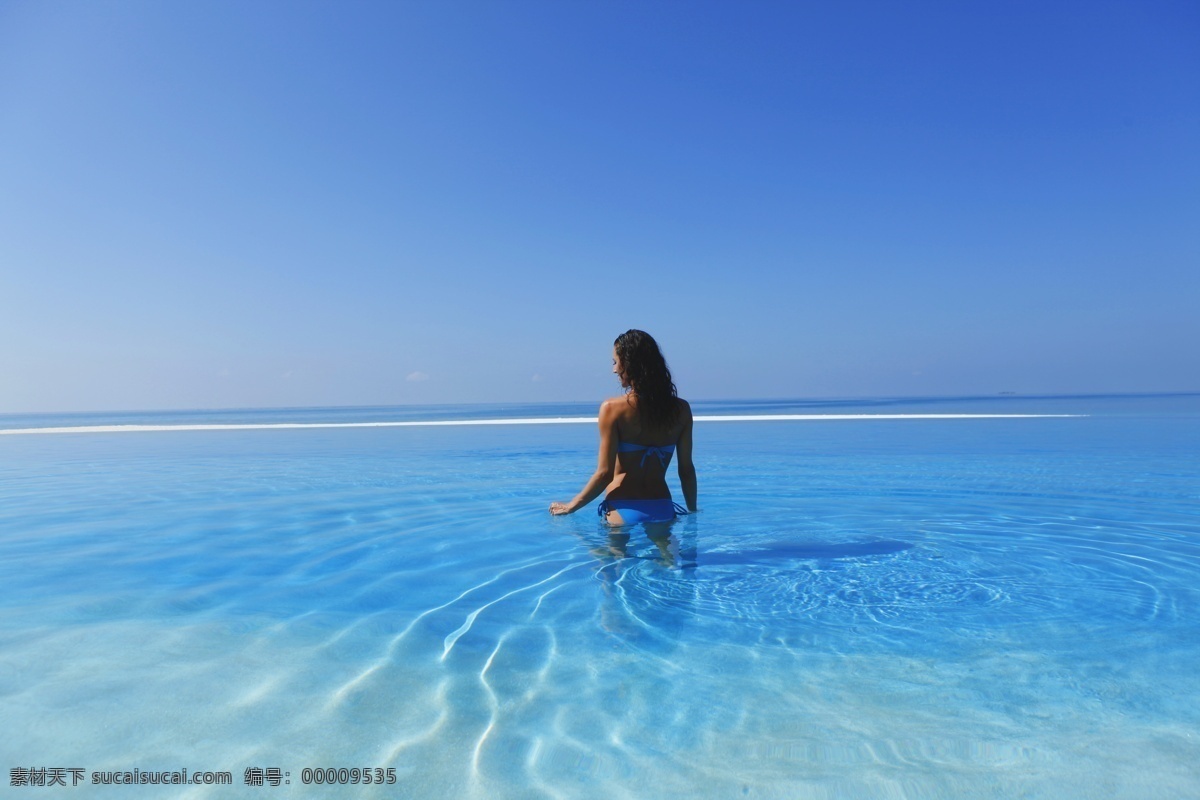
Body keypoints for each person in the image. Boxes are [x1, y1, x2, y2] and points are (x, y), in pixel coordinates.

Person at [550, 330, 697, 526]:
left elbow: (604, 474)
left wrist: (571, 506)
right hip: (662, 505)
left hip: (622, 507)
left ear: (628, 364)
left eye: (615, 362)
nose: (614, 370)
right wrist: (693, 510)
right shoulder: (682, 410)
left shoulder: (612, 409)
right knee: (667, 557)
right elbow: (686, 470)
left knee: (613, 557)